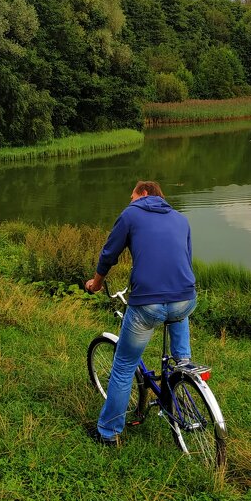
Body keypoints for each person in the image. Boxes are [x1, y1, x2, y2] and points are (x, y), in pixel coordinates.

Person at [85, 180, 197, 446]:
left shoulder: (131, 213)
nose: (130, 201)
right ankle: (184, 367)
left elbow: (109, 253)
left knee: (123, 367)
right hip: (185, 297)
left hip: (147, 303)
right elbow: (185, 259)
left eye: (132, 196)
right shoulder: (181, 219)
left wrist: (96, 283)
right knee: (178, 311)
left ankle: (108, 433)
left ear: (144, 193)